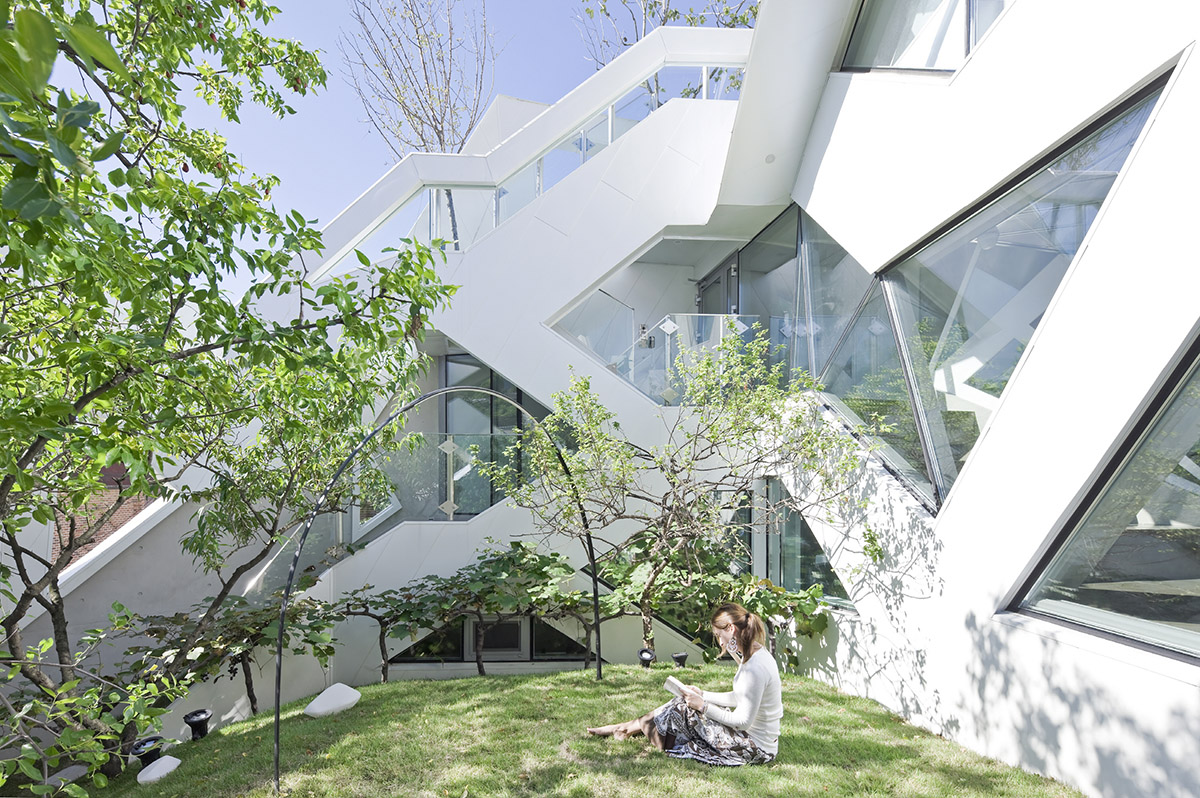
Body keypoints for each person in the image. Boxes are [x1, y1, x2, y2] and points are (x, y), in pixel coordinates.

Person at [586, 602, 782, 766]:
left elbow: (743, 721)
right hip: (749, 737)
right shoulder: (753, 655)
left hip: (756, 748)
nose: (720, 642)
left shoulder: (754, 667)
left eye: (718, 635)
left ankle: (627, 729)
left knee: (682, 708)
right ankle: (626, 728)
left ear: (731, 629)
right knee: (683, 701)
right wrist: (702, 694)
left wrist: (702, 706)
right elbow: (740, 697)